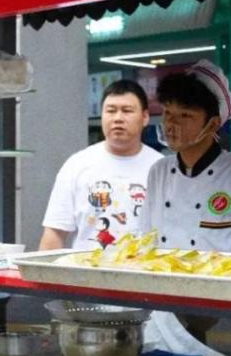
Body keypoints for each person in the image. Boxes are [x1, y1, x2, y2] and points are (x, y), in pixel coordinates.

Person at [142, 61, 231, 354]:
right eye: (167, 113)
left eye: (185, 115)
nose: (171, 124)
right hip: (164, 320)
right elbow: (144, 246)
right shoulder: (158, 171)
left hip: (223, 322)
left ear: (213, 124)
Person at [39, 79, 161, 250]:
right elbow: (55, 233)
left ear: (145, 117)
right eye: (111, 111)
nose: (118, 118)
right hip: (87, 266)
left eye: (127, 111)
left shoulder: (161, 168)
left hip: (145, 266)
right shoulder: (77, 165)